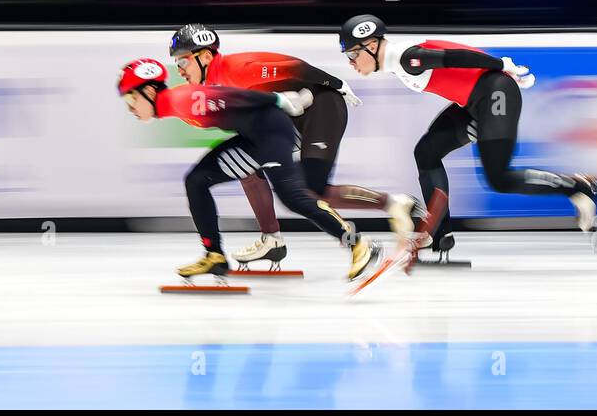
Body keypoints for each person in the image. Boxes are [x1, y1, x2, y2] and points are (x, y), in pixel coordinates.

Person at [338, 14, 597, 258]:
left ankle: (582, 187)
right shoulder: (400, 59)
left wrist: (500, 65)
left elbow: (456, 57)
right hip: (473, 102)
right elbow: (451, 51)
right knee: (426, 153)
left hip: (496, 94)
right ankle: (438, 233)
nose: (351, 62)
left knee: (499, 179)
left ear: (371, 45)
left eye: (352, 54)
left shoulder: (405, 58)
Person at [169, 23, 420, 268]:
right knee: (248, 167)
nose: (179, 69)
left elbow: (298, 69)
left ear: (205, 56)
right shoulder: (209, 88)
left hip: (320, 105)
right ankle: (272, 240)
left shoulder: (238, 69)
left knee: (311, 189)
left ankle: (392, 204)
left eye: (182, 61)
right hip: (285, 122)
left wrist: (337, 84)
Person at [118, 58, 381, 281]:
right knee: (196, 181)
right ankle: (215, 257)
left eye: (131, 97)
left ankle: (358, 243)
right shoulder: (172, 104)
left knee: (293, 197)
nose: (129, 108)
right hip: (255, 138)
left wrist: (278, 100)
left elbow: (231, 96)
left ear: (150, 92)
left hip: (272, 133)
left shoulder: (181, 99)